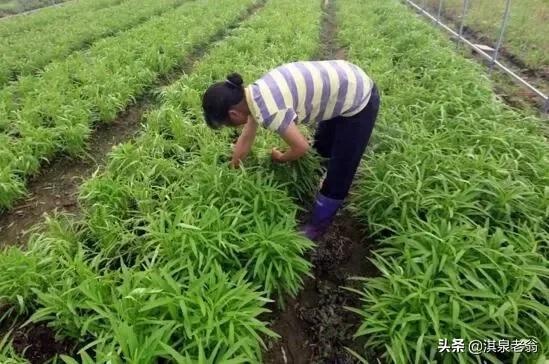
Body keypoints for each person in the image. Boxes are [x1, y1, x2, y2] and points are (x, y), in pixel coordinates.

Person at [202, 60, 380, 240]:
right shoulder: (253, 94)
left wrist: (281, 158)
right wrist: (234, 165)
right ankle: (314, 188)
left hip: (359, 98)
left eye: (227, 124)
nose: (232, 127)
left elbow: (301, 147)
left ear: (234, 114)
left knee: (341, 170)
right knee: (323, 146)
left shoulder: (269, 111)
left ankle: (316, 228)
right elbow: (247, 137)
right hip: (343, 83)